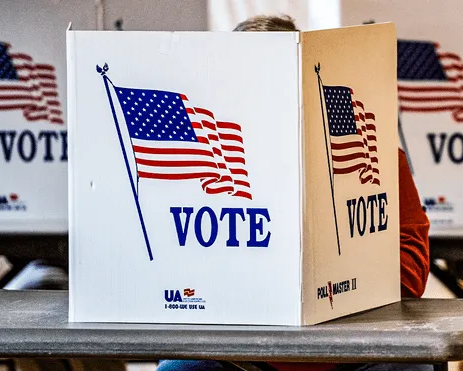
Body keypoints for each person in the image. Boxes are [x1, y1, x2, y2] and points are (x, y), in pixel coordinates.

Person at [157, 15, 431, 371]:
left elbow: (410, 272)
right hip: (237, 355)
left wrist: (339, 280)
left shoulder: (376, 159)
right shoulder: (199, 165)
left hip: (350, 352)